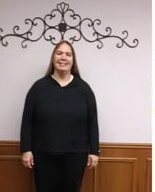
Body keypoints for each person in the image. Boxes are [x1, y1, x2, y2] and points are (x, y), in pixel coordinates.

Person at [20, 40, 100, 192]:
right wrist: (26, 149)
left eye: (68, 54)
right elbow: (27, 121)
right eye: (59, 53)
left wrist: (94, 151)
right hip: (43, 155)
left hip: (75, 155)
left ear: (73, 60)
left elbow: (92, 122)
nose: (63, 57)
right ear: (53, 58)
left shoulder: (84, 89)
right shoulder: (38, 88)